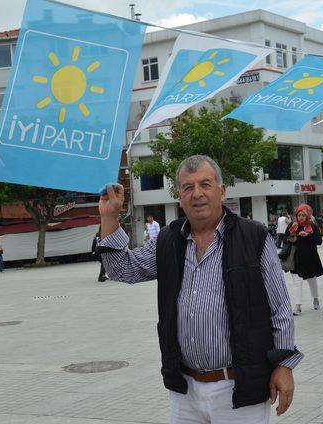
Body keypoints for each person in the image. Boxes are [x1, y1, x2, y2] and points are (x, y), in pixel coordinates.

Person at [98, 155, 302, 423]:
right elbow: (122, 269)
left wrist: (284, 365)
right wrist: (110, 218)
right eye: (187, 187)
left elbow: (280, 309)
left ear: (222, 190)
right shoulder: (168, 240)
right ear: (179, 197)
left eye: (205, 184)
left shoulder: (253, 237)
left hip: (239, 388)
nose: (197, 194)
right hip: (185, 391)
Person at [285, 204, 323, 316]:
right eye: (299, 215)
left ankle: (315, 299)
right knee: (297, 282)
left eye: (303, 215)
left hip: (310, 258)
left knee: (312, 280)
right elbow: (286, 238)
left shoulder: (312, 226)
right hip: (296, 259)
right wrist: (293, 238)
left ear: (307, 216)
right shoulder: (293, 225)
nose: (301, 217)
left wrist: (307, 235)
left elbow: (319, 241)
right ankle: (298, 306)